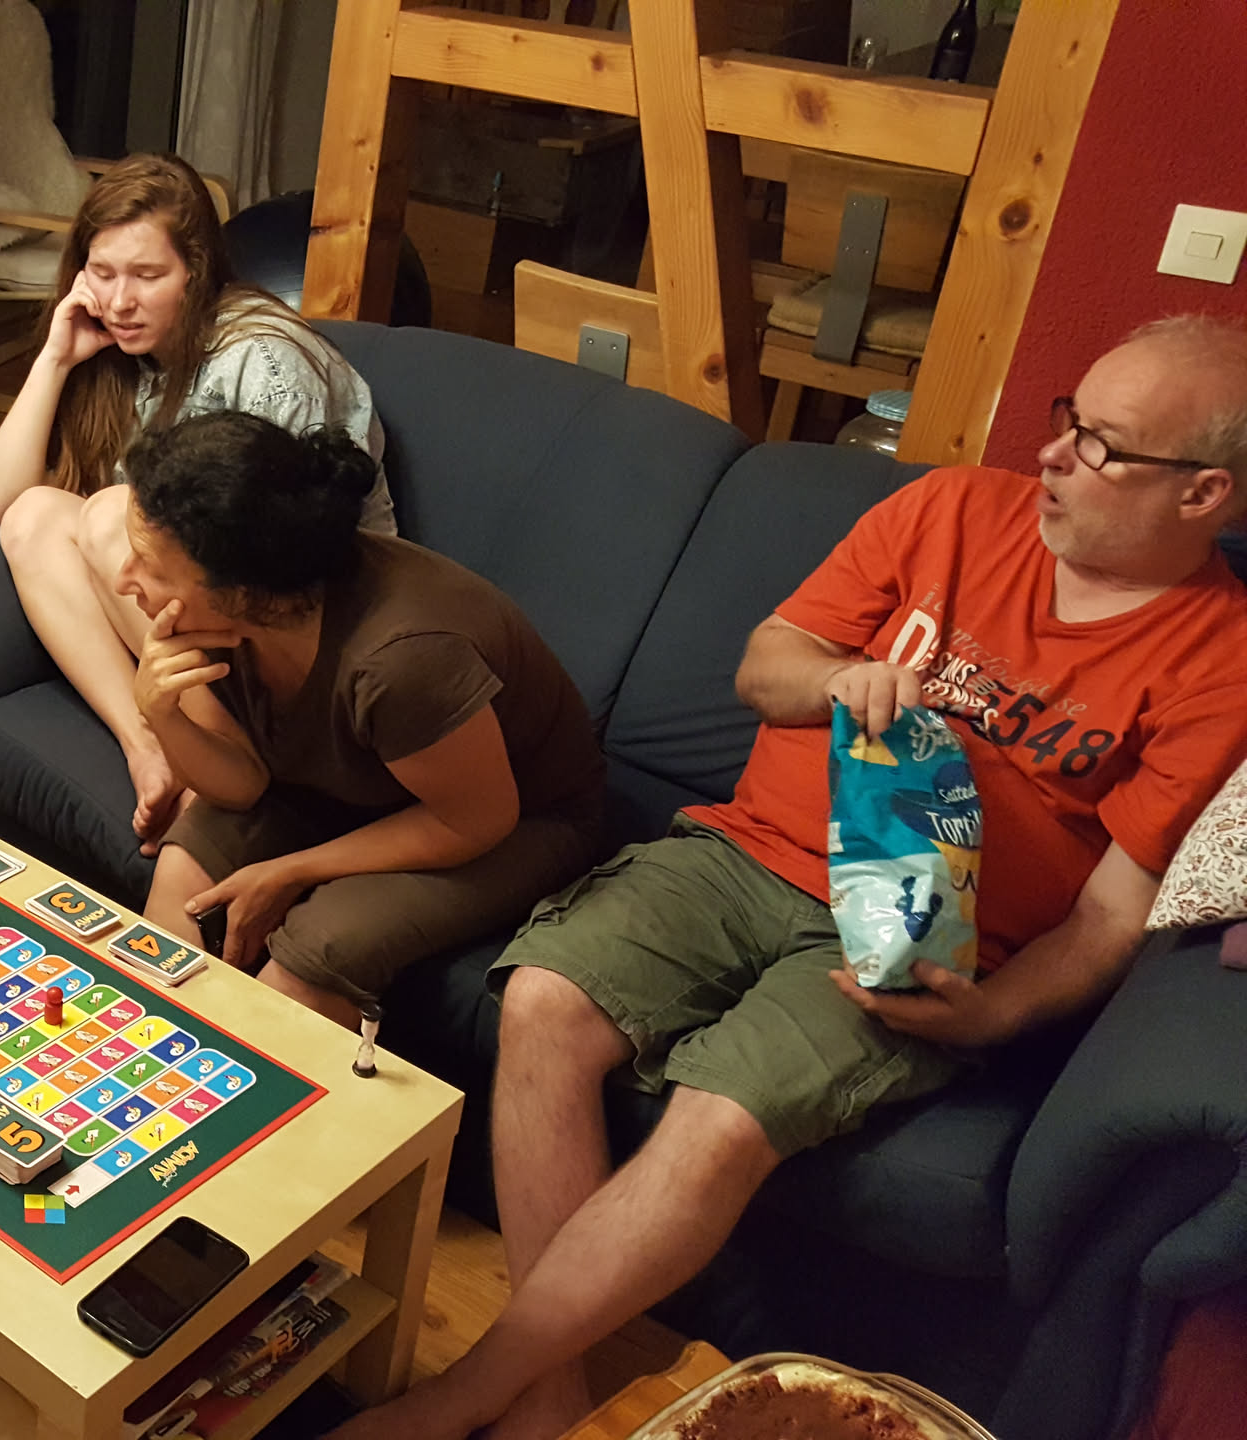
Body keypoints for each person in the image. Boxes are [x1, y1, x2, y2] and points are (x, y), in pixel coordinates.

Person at [330, 317, 1247, 1440]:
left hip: (900, 937)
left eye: (1099, 444)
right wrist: (841, 680)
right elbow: (767, 666)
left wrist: (994, 1013)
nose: (1053, 453)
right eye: (1069, 418)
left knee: (720, 1118)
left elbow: (1112, 914)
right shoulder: (952, 508)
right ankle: (551, 1395)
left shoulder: (1221, 663)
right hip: (740, 851)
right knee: (541, 1000)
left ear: (1202, 493)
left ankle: (468, 1391)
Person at [119, 411, 603, 1028]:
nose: (124, 581)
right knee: (185, 877)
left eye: (149, 566)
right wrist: (162, 714)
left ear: (239, 591)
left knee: (314, 953)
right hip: (347, 788)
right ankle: (141, 1059)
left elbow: (477, 818)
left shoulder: (403, 659)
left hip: (513, 821)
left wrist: (292, 870)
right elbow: (240, 787)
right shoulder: (221, 617)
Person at [0, 154, 396, 850]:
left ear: (197, 273)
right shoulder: (122, 357)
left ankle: (224, 754)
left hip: (296, 623)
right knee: (34, 516)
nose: (119, 302)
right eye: (103, 273)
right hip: (200, 612)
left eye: (147, 275)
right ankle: (149, 746)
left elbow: (288, 562)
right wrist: (55, 358)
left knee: (113, 513)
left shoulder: (263, 361)